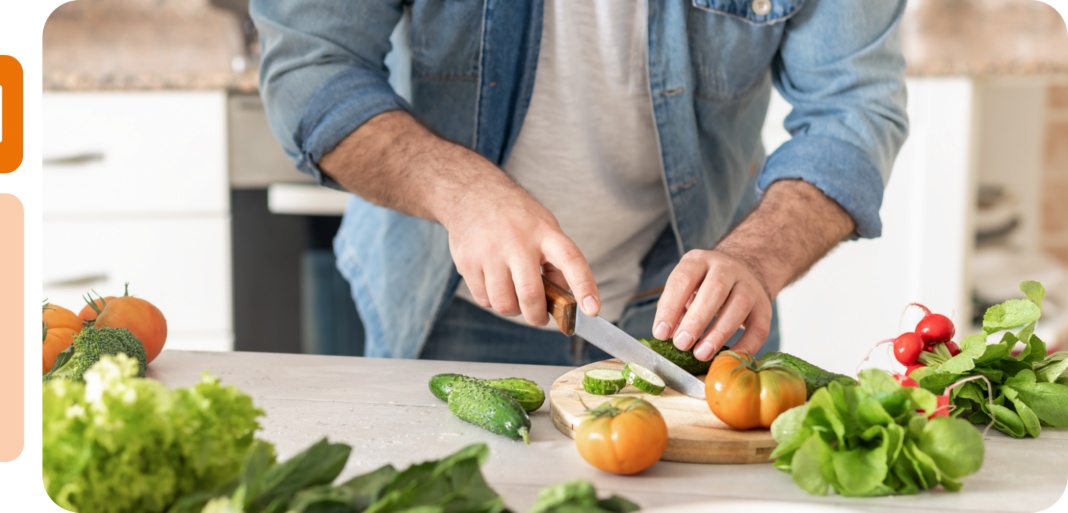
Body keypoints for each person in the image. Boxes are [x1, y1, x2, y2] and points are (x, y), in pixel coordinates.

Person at [251, 0, 907, 366]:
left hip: (694, 322)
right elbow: (313, 67)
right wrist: (464, 193)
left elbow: (853, 105)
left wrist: (756, 258)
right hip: (445, 308)